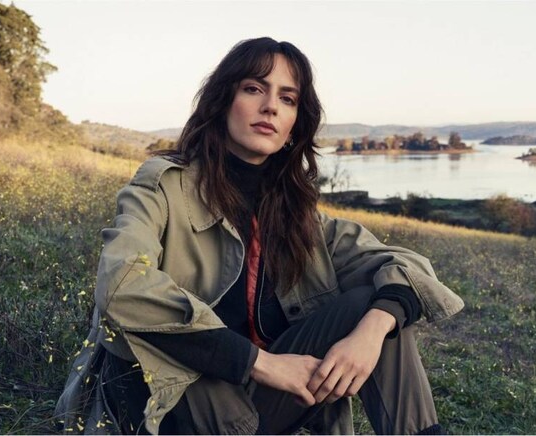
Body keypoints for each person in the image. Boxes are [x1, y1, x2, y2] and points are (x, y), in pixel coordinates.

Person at [55, 37, 463, 435]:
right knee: (181, 343)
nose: (270, 106)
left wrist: (373, 330)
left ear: (292, 127)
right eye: (254, 89)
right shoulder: (162, 184)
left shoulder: (296, 213)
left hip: (260, 406)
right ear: (223, 103)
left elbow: (405, 266)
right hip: (177, 404)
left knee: (378, 308)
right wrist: (262, 364)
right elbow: (121, 285)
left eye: (287, 99)